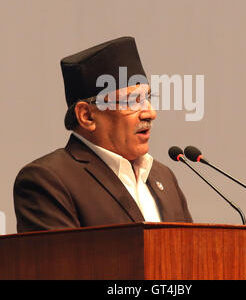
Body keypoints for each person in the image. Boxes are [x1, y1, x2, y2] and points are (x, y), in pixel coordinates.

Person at [14, 36, 192, 233]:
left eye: (147, 98)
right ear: (87, 116)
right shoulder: (48, 180)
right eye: (132, 101)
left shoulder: (163, 176)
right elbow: (60, 263)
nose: (150, 112)